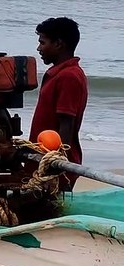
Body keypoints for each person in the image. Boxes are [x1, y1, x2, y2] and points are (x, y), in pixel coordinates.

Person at [30, 17, 88, 191]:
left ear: (58, 44)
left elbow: (66, 125)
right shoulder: (58, 73)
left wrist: (55, 165)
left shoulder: (69, 76)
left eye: (43, 42)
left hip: (55, 167)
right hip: (42, 158)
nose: (38, 48)